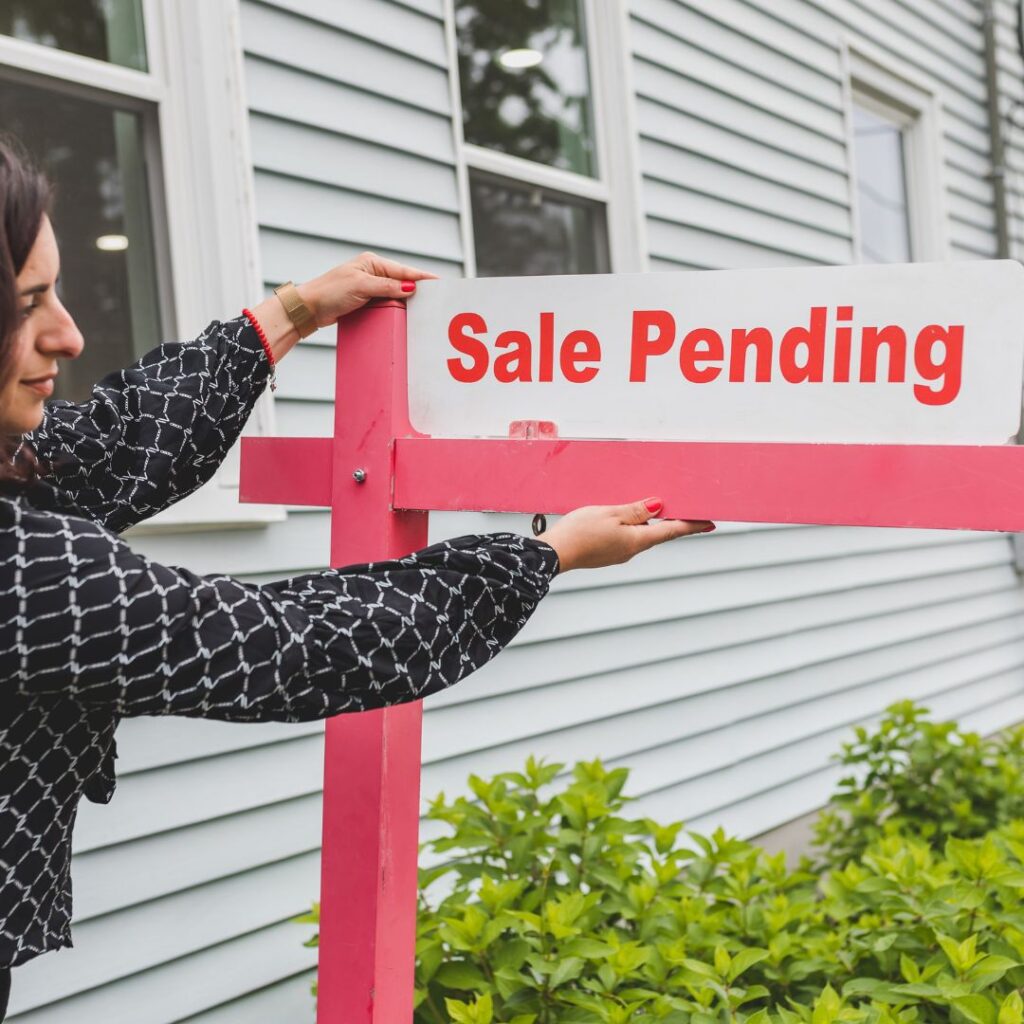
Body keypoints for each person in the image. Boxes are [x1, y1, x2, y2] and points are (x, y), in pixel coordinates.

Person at [0, 136, 714, 1018]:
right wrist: (545, 553)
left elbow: (109, 447)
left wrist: (289, 313)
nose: (67, 333)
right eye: (28, 304)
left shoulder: (18, 465)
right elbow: (291, 647)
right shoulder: (19, 572)